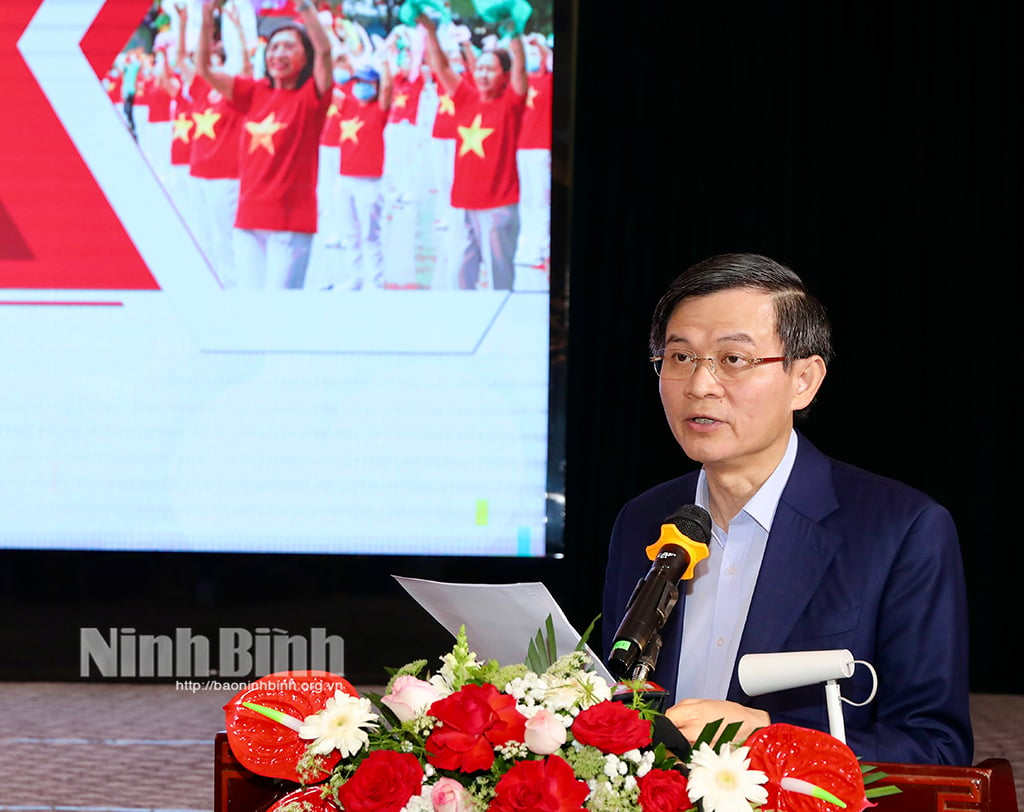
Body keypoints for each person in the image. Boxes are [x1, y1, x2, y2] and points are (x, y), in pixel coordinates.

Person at [601, 252, 973, 766]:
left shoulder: (902, 531)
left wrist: (773, 740)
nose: (700, 385)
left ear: (804, 380)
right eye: (680, 357)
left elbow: (937, 749)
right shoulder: (643, 518)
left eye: (732, 359)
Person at [195, 0, 333, 290]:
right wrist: (208, 18)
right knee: (250, 306)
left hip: (290, 223)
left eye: (289, 47)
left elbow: (325, 50)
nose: (279, 53)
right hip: (249, 219)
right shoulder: (254, 92)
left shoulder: (312, 98)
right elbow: (204, 69)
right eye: (274, 47)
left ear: (305, 58)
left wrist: (305, 7)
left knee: (281, 313)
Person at [419, 14, 527, 291]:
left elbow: (521, 74)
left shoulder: (511, 102)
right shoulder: (466, 98)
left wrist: (514, 37)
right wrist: (430, 32)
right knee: (460, 276)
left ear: (504, 75)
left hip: (499, 206)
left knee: (499, 279)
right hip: (464, 204)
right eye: (479, 68)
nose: (482, 73)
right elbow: (441, 67)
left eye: (490, 69)